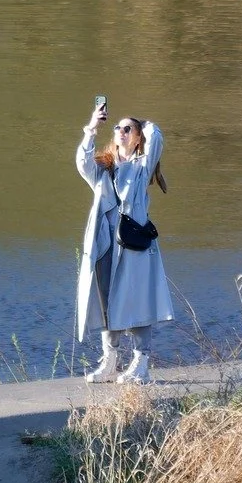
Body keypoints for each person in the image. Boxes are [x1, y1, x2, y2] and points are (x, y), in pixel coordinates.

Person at [74, 103, 174, 384]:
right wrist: (92, 127)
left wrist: (144, 124)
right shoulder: (103, 168)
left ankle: (141, 364)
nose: (121, 131)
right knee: (106, 300)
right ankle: (110, 362)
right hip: (105, 243)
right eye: (118, 127)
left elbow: (157, 137)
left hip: (133, 245)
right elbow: (82, 162)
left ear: (138, 137)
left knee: (138, 299)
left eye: (128, 129)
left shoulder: (142, 167)